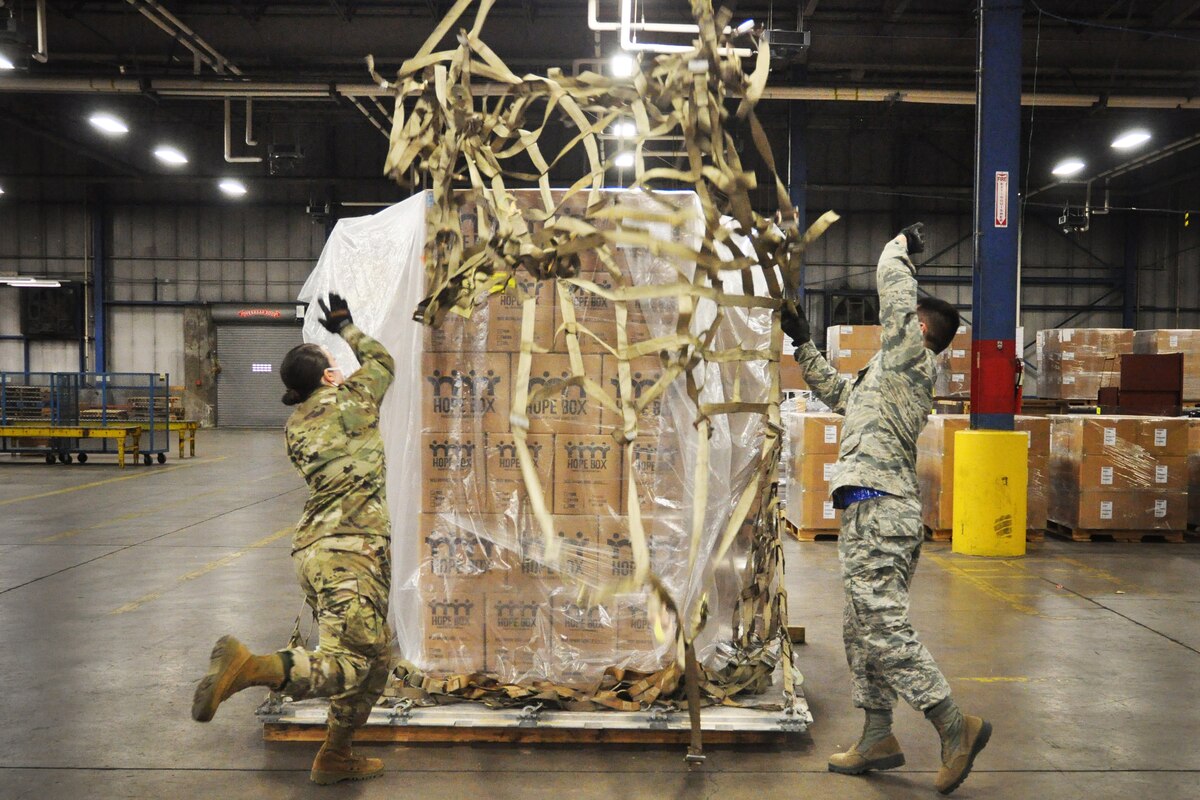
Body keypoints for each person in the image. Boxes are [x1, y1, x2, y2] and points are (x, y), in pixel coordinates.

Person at [781, 224, 991, 796]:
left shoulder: (910, 356)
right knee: (860, 628)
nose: (892, 321)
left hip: (883, 510)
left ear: (918, 327)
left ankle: (954, 726)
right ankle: (877, 735)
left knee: (881, 623)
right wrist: (802, 341)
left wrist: (897, 246)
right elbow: (837, 394)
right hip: (867, 512)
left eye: (904, 316)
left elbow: (893, 286)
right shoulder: (886, 377)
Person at [191, 293, 396, 786]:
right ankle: (255, 667)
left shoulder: (296, 425)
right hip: (351, 552)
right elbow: (383, 360)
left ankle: (337, 753)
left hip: (316, 551)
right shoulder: (352, 401)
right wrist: (345, 327)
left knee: (377, 656)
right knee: (350, 664)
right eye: (333, 365)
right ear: (329, 377)